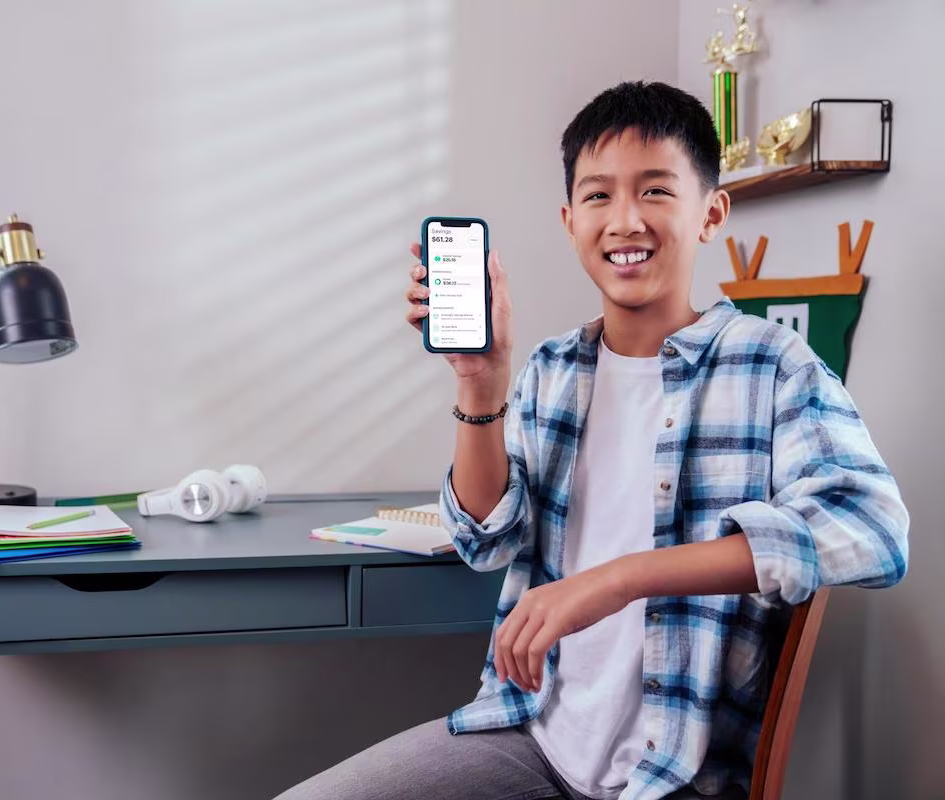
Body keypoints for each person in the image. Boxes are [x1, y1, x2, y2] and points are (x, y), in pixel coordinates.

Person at [274, 81, 909, 800]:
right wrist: (481, 384)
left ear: (712, 212)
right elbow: (484, 538)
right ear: (571, 219)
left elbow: (877, 531)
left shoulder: (773, 366)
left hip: (672, 773)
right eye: (600, 196)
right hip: (531, 733)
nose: (625, 220)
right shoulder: (553, 369)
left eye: (656, 191)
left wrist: (618, 579)